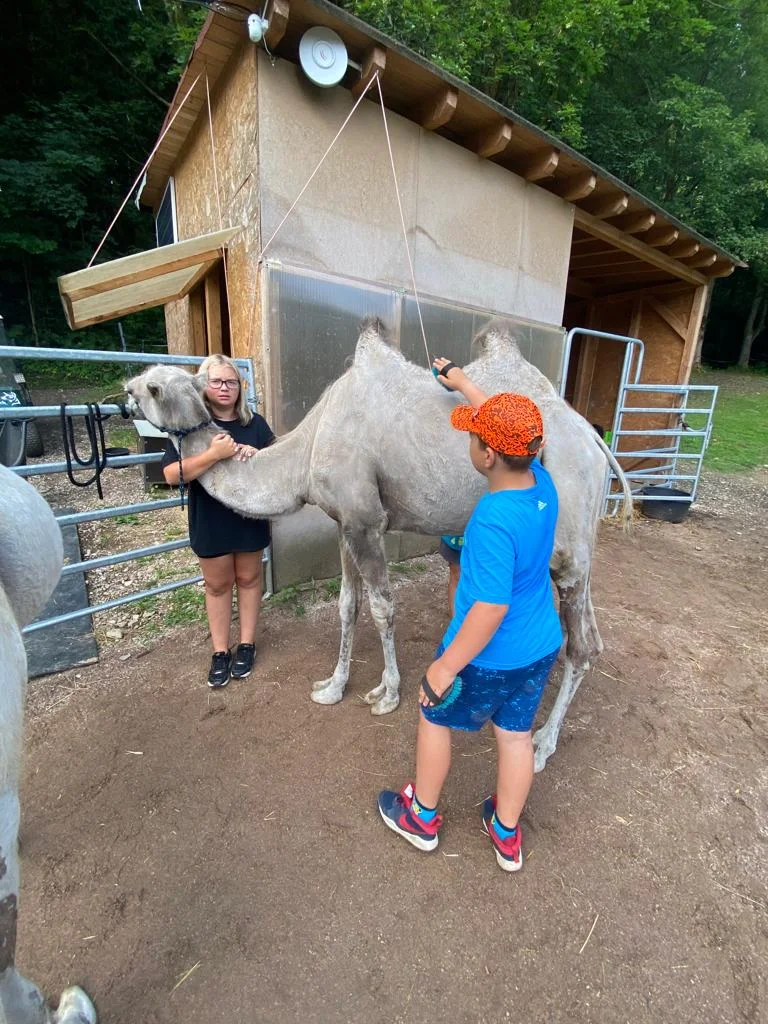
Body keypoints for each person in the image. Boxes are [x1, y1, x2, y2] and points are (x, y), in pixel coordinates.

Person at [377, 360, 563, 872]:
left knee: (433, 714)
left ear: (488, 454)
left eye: (476, 438)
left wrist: (443, 668)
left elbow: (489, 607)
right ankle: (506, 833)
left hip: (490, 655)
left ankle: (422, 817)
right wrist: (462, 384)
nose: (472, 443)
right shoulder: (540, 482)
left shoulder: (490, 522)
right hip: (540, 644)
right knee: (515, 736)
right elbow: (509, 431)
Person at [162, 353, 275, 689]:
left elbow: (278, 461)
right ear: (203, 386)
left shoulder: (254, 424)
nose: (225, 388)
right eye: (216, 381)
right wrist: (213, 455)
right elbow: (170, 475)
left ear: (241, 387)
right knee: (217, 585)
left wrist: (261, 457)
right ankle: (220, 651)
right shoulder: (189, 428)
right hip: (210, 519)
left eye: (231, 382)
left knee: (251, 578)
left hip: (249, 516)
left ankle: (247, 645)